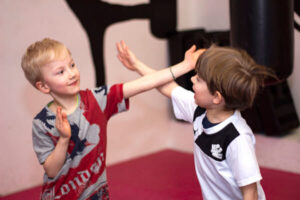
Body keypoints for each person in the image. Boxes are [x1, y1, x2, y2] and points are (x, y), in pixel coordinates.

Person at [21, 38, 202, 200]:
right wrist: (63, 139)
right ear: (44, 86)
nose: (72, 73)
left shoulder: (97, 99)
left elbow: (143, 84)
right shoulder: (42, 122)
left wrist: (185, 66)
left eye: (72, 65)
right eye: (60, 72)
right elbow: (51, 170)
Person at [117, 41, 277, 200]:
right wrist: (137, 65)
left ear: (216, 97)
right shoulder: (200, 110)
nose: (192, 79)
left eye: (199, 79)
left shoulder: (237, 138)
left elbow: (250, 192)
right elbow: (167, 86)